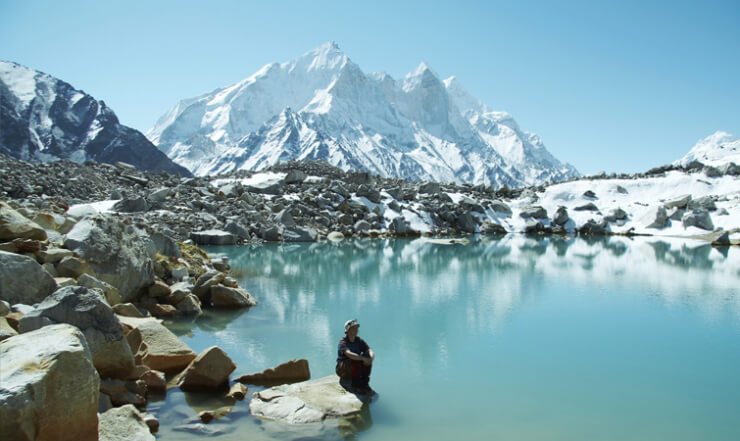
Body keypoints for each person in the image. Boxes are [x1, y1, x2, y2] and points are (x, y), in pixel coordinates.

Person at [336, 319, 374, 394]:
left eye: (357, 328)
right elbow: (349, 354)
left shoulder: (359, 340)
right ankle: (356, 386)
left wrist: (370, 358)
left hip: (356, 368)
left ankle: (365, 383)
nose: (356, 330)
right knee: (354, 359)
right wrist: (363, 358)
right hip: (343, 369)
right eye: (354, 328)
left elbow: (369, 350)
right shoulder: (343, 342)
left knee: (367, 356)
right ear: (348, 330)